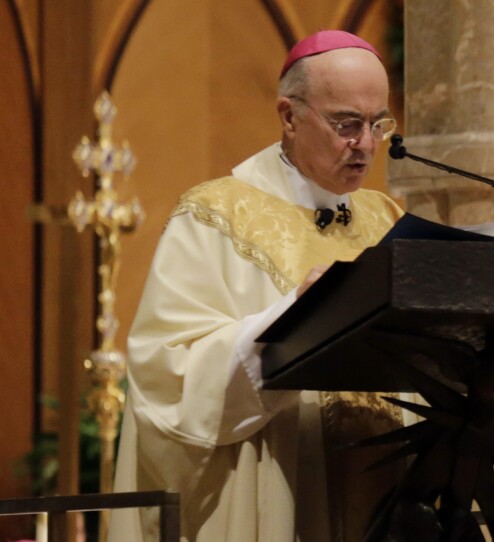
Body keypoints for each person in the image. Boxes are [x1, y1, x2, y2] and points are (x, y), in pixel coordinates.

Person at [108, 30, 406, 542]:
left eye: (378, 123)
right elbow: (166, 374)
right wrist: (291, 319)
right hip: (287, 489)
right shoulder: (212, 215)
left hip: (388, 488)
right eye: (347, 124)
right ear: (289, 116)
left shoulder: (387, 220)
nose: (367, 144)